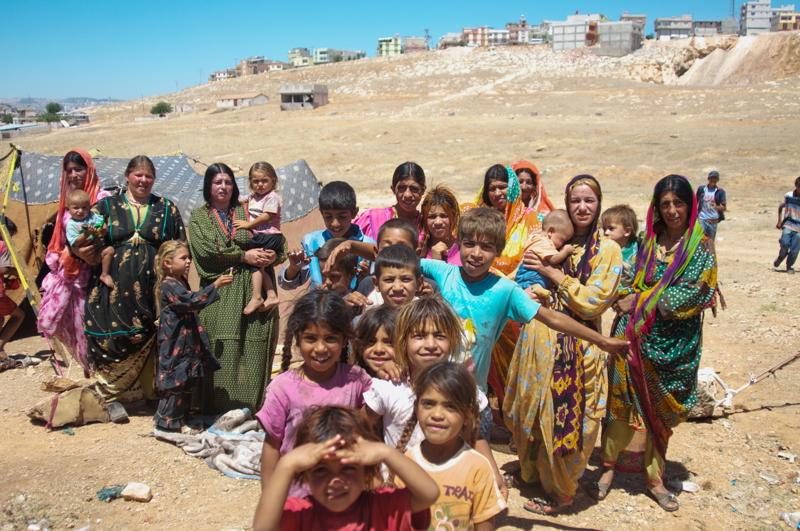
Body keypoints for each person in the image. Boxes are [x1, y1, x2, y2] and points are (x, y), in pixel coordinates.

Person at [502, 175, 623, 515]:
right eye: (575, 201)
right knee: (529, 410)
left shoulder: (607, 251)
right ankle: (531, 474)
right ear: (566, 205)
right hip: (537, 339)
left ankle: (562, 492)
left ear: (599, 204)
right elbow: (523, 276)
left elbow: (593, 302)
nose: (582, 207)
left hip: (579, 346)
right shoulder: (546, 241)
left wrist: (555, 275)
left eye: (590, 200)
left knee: (569, 419)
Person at [596, 175, 718, 512]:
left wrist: (643, 300)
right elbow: (626, 281)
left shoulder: (701, 245)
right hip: (633, 338)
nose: (672, 210)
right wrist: (626, 298)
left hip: (676, 344)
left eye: (678, 203)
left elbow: (699, 290)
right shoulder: (649, 242)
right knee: (619, 403)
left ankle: (654, 477)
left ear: (690, 205)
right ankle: (607, 469)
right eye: (665, 204)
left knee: (659, 414)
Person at [83, 155, 186, 420]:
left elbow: (179, 248)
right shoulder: (105, 206)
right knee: (111, 336)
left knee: (155, 335)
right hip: (111, 286)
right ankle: (111, 397)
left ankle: (152, 393)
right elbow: (81, 240)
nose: (143, 180)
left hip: (153, 289)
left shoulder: (166, 208)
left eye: (148, 176)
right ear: (127, 175)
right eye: (138, 175)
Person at [188, 162, 286, 414]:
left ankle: (252, 408)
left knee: (255, 345)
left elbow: (278, 239)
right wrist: (244, 257)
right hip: (223, 293)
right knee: (224, 348)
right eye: (217, 182)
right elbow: (206, 252)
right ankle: (218, 408)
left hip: (258, 290)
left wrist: (271, 257)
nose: (223, 187)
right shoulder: (200, 217)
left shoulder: (249, 208)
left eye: (228, 182)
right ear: (208, 186)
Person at [256, 290, 372, 499]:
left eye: (330, 338)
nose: (320, 348)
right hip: (297, 496)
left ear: (345, 340)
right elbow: (272, 447)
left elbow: (370, 425)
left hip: (343, 494)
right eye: (310, 338)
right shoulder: (282, 388)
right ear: (297, 339)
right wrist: (270, 499)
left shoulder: (356, 380)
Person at [253, 406, 438, 531]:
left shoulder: (381, 507)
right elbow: (263, 528)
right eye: (321, 470)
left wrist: (386, 453)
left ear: (366, 472)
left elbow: (429, 494)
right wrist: (287, 464)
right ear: (306, 475)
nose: (335, 480)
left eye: (348, 468)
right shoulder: (301, 513)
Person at [395, 362, 506, 531]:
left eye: (450, 406)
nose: (437, 415)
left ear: (468, 414)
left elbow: (484, 525)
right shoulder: (407, 463)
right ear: (417, 408)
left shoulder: (478, 468)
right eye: (428, 404)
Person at [38, 149, 111, 372]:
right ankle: (91, 374)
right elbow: (62, 239)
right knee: (79, 329)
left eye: (78, 169)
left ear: (89, 170)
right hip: (73, 274)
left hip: (97, 273)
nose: (73, 175)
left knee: (101, 327)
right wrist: (72, 253)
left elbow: (110, 234)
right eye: (69, 171)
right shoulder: (68, 203)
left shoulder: (102, 200)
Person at [152, 240, 232, 434]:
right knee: (176, 382)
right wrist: (215, 285)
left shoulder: (180, 281)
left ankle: (183, 418)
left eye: (189, 258)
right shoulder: (168, 284)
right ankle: (170, 422)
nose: (188, 261)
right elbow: (191, 301)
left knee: (186, 379)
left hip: (186, 340)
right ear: (167, 263)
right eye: (183, 258)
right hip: (175, 342)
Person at [282, 181, 374, 290]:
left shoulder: (368, 246)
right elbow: (287, 285)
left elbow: (380, 283)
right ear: (321, 212)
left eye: (342, 216)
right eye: (328, 216)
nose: (335, 223)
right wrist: (293, 268)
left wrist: (368, 278)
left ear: (354, 213)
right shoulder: (311, 242)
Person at [234, 162, 284, 315]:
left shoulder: (272, 197)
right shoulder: (253, 197)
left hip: (269, 236)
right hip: (264, 236)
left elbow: (266, 216)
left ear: (273, 181)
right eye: (256, 181)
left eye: (264, 180)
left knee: (254, 260)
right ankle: (271, 295)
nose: (260, 184)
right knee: (260, 265)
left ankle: (256, 296)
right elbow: (240, 201)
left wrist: (248, 225)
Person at [354, 162, 427, 242]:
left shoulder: (427, 225)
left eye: (414, 188)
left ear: (423, 190)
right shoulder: (371, 218)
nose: (407, 195)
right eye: (402, 188)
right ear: (393, 189)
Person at [64, 189, 115, 289]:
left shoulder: (91, 216)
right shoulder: (71, 225)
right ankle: (104, 274)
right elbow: (75, 242)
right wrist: (87, 233)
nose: (80, 211)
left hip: (100, 245)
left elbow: (101, 221)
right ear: (68, 209)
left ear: (90, 207)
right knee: (109, 251)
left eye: (84, 207)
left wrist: (104, 228)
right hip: (91, 254)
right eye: (76, 208)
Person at [514, 210, 576, 290]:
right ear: (550, 231)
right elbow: (553, 259)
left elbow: (542, 230)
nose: (563, 244)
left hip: (524, 273)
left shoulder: (535, 237)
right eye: (563, 240)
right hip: (532, 275)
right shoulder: (544, 242)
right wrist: (566, 251)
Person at [0, 217, 25, 370]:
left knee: (1, 317)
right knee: (19, 315)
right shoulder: (2, 245)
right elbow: (2, 269)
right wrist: (15, 272)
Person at [351, 305, 398, 378]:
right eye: (371, 341)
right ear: (359, 346)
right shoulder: (350, 381)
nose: (378, 349)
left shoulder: (409, 382)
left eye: (389, 342)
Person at [601, 204, 640, 293]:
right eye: (604, 229)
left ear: (627, 231)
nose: (606, 233)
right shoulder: (604, 248)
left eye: (611, 228)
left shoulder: (637, 249)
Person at [419, 185, 461, 265]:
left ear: (454, 216)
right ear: (424, 219)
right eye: (432, 216)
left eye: (444, 216)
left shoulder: (463, 249)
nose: (438, 222)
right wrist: (435, 263)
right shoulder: (419, 250)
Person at [774, 176, 800, 274]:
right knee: (784, 243)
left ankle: (789, 266)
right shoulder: (789, 195)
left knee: (795, 248)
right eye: (799, 186)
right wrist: (779, 221)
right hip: (788, 223)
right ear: (796, 185)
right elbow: (780, 207)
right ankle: (781, 256)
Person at [696, 170, 726, 242]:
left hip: (713, 221)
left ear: (718, 180)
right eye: (711, 178)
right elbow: (696, 201)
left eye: (715, 178)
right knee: (699, 240)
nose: (713, 180)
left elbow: (724, 208)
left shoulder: (720, 192)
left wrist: (716, 207)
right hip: (702, 219)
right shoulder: (701, 189)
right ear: (708, 179)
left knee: (710, 242)